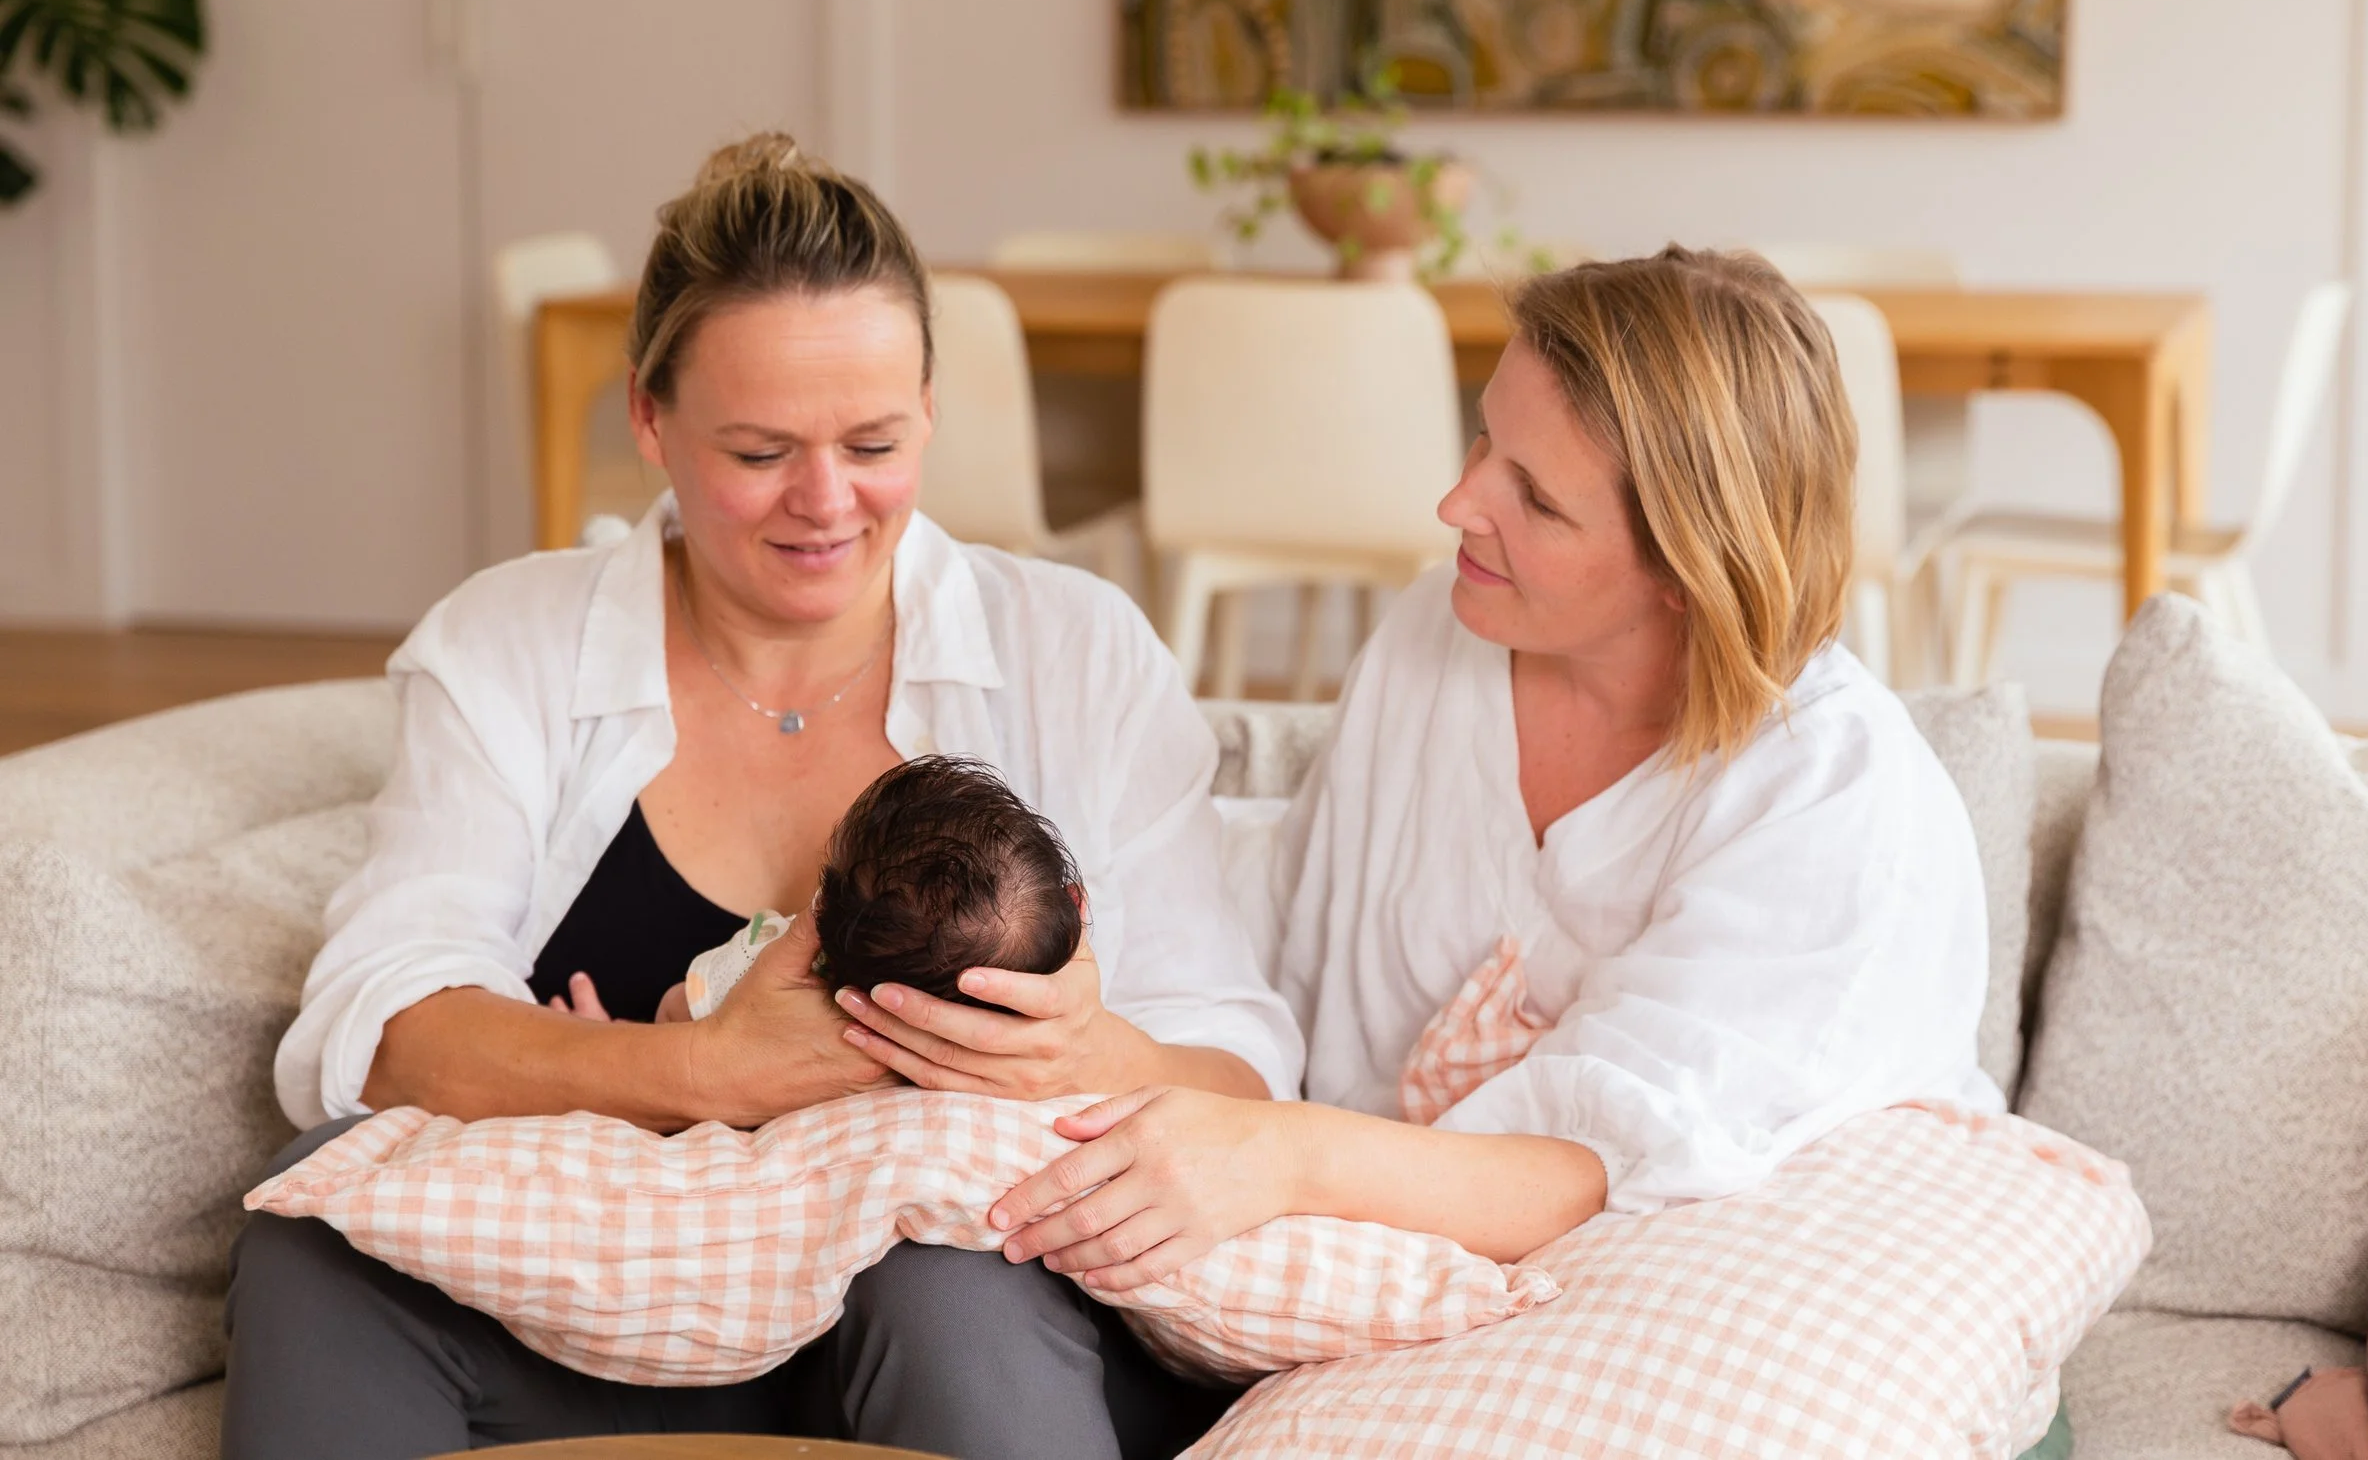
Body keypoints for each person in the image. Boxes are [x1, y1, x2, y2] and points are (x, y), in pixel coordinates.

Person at [223, 134, 1299, 1460]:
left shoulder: (1073, 648)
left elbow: (1236, 1056)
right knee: (311, 1241)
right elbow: (377, 1027)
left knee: (949, 1281)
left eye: (874, 439)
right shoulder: (510, 640)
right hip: (615, 1310)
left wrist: (1081, 1053)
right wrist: (702, 1069)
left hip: (957, 1311)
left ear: (930, 409)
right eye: (759, 449)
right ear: (648, 417)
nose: (827, 501)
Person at [888, 247, 1998, 1295]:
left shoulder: (1830, 795)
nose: (1457, 506)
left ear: (1686, 569)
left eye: (1538, 498)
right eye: (1483, 443)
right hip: (1367, 1278)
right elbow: (1295, 979)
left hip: (1715, 1308)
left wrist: (1284, 1157)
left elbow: (1600, 1161)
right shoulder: (1439, 638)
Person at [665, 753, 1085, 1023]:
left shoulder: (761, 965)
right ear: (1074, 910)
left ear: (824, 907)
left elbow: (679, 1011)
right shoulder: (1043, 1028)